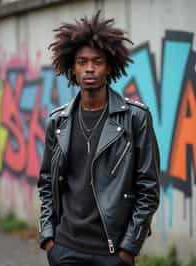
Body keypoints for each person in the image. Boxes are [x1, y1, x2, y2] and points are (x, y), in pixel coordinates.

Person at [37, 11, 160, 266]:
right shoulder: (58, 122)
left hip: (112, 253)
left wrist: (129, 249)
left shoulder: (135, 119)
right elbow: (47, 184)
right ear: (72, 67)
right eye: (82, 62)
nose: (90, 68)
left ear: (110, 67)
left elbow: (148, 189)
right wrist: (49, 239)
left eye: (98, 61)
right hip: (65, 249)